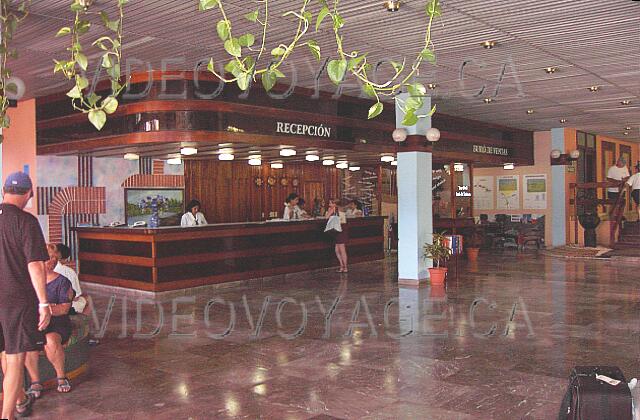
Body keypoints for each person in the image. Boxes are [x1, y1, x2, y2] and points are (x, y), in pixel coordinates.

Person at [0, 171, 51, 419]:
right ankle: (7, 415)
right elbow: (35, 265)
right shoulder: (26, 221)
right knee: (15, 357)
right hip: (16, 300)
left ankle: (20, 399)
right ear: (30, 194)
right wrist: (44, 303)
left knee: (5, 351)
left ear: (3, 191)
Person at [25, 244, 75, 397]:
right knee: (26, 341)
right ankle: (35, 382)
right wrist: (46, 307)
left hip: (57, 322)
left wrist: (45, 309)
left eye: (55, 257)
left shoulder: (63, 281)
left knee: (51, 339)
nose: (52, 260)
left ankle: (61, 377)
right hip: (34, 321)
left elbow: (64, 309)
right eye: (48, 257)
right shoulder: (28, 280)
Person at [52, 243, 87, 315]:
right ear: (66, 259)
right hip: (63, 307)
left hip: (43, 305)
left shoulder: (40, 269)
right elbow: (76, 297)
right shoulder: (69, 272)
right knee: (87, 299)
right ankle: (81, 322)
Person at [326, 199, 349, 273]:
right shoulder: (341, 209)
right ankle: (342, 266)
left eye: (330, 203)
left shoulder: (333, 209)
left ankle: (344, 267)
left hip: (339, 228)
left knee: (341, 249)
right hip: (341, 228)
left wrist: (329, 210)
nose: (329, 204)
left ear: (335, 204)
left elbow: (326, 217)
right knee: (337, 249)